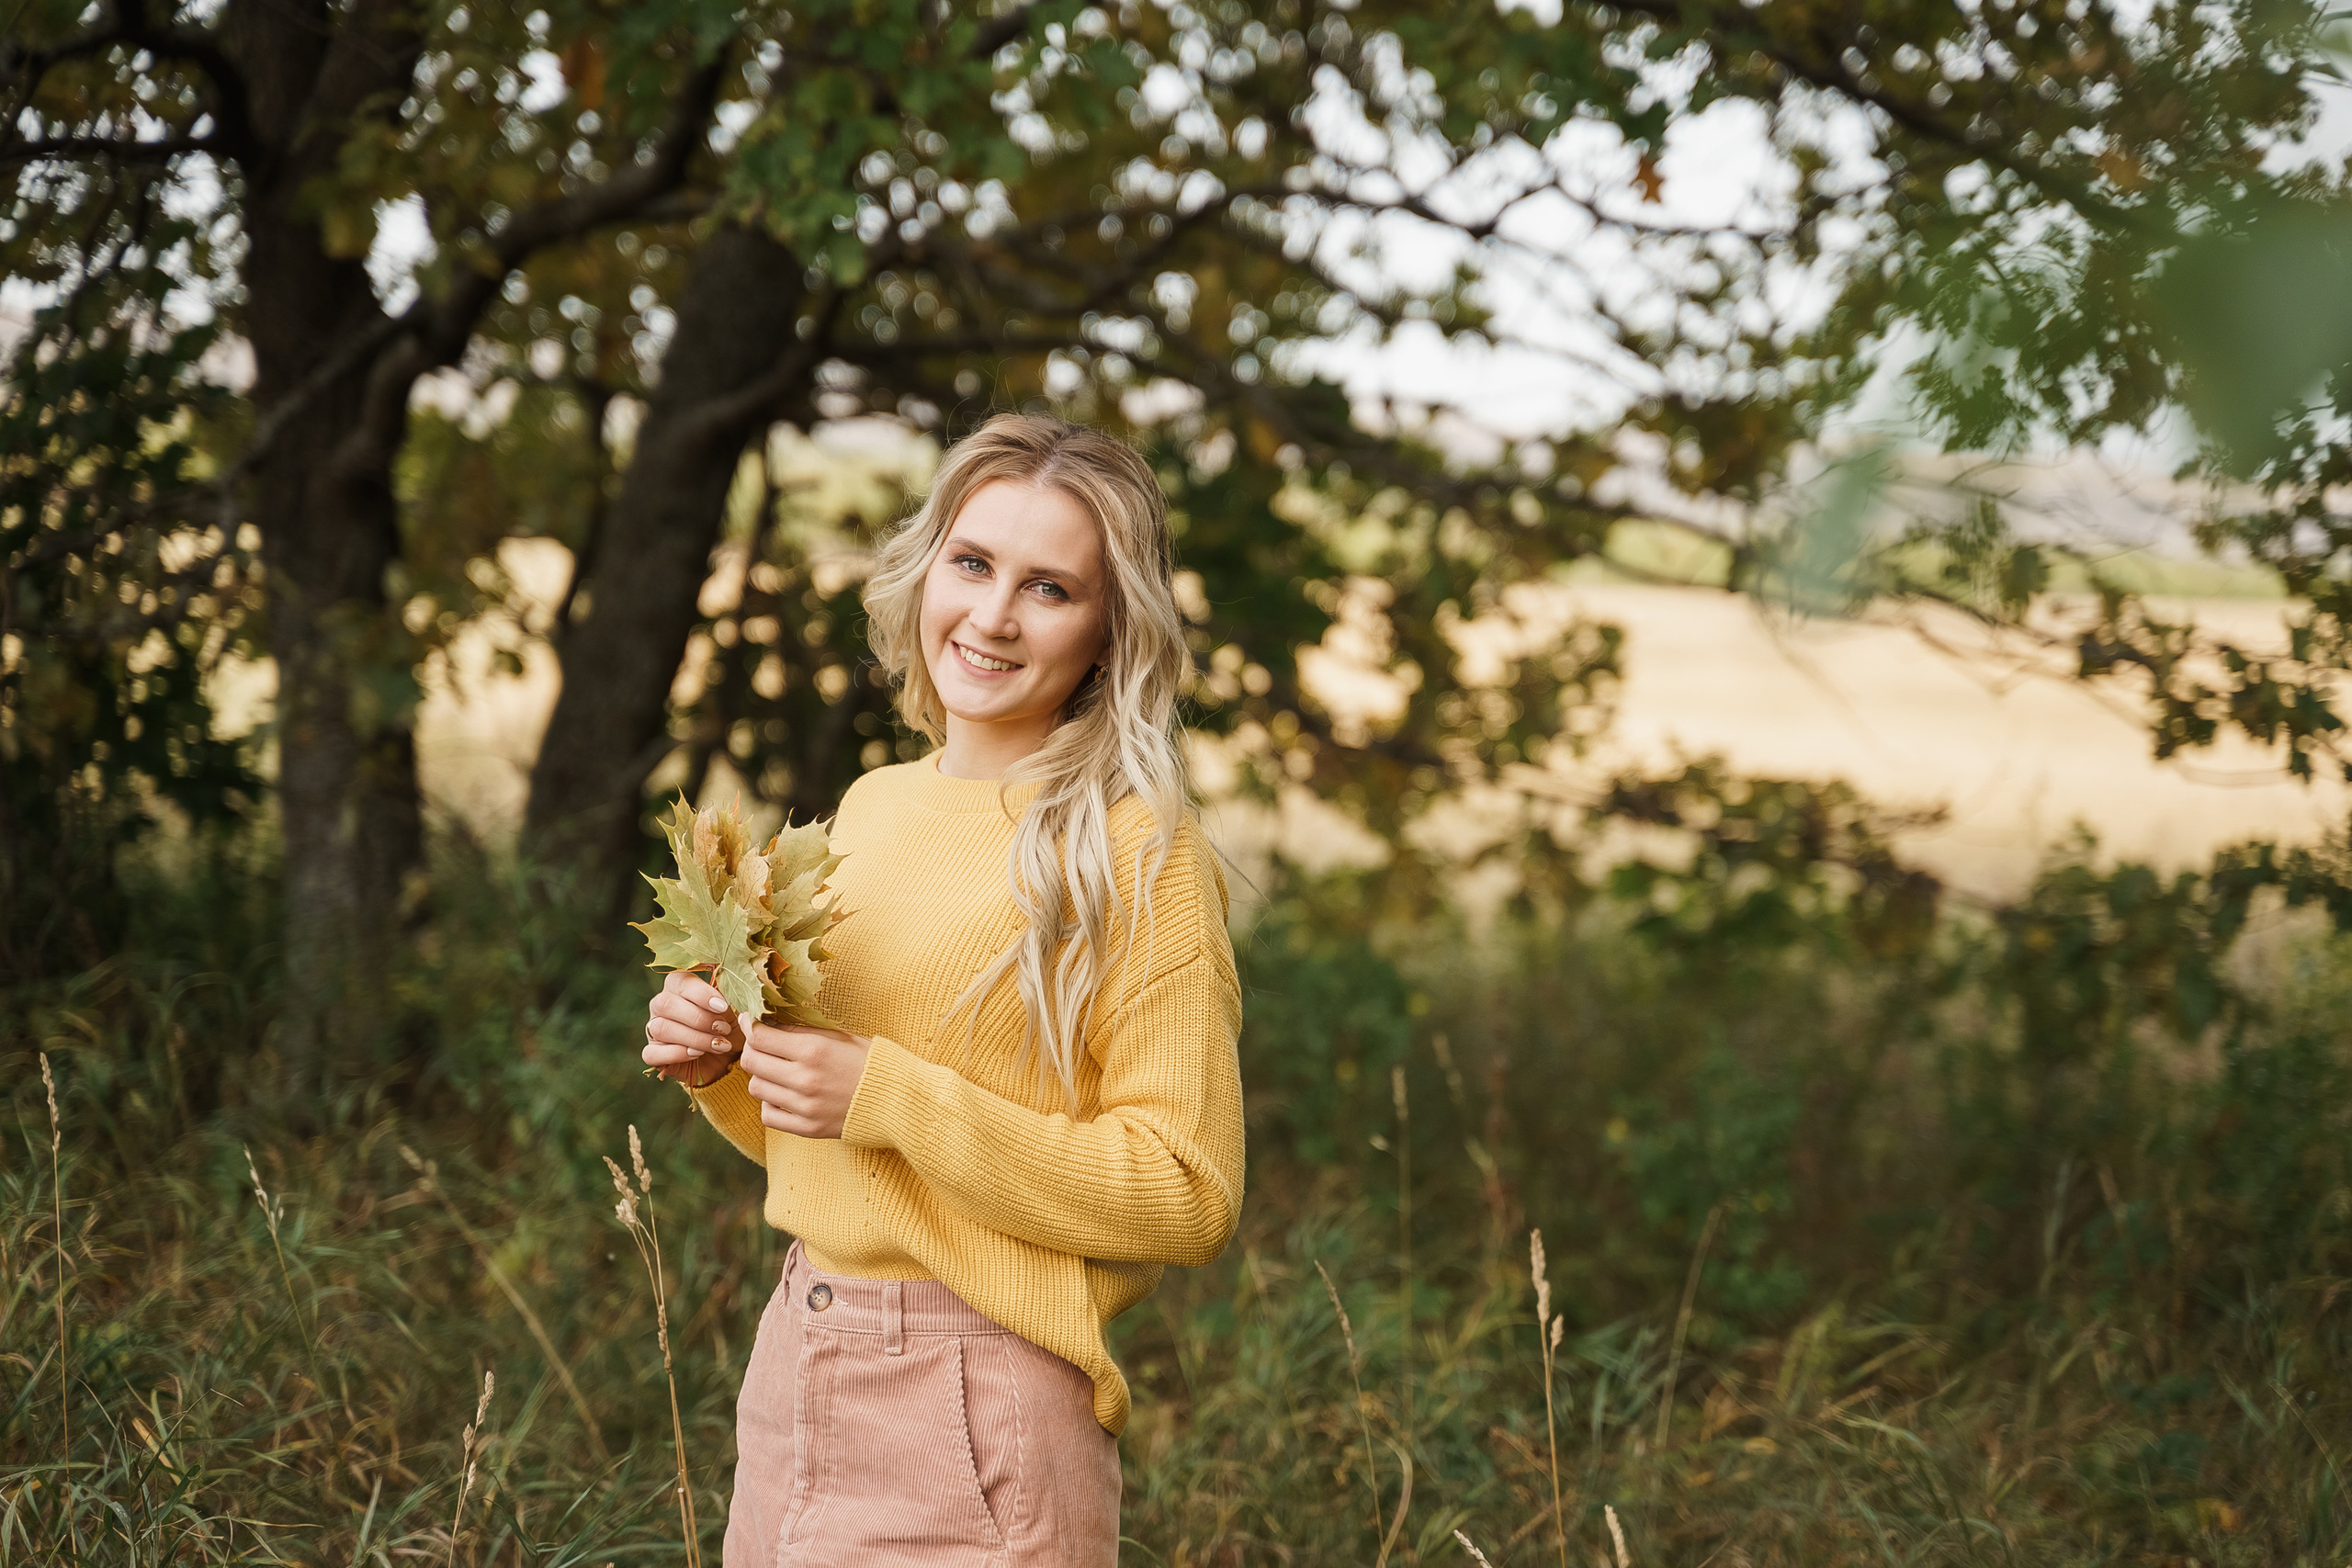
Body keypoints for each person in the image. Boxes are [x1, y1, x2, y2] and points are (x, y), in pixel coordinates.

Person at [639, 412, 1244, 1565]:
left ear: (1112, 629)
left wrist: (889, 1095)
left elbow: (1186, 1194)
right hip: (798, 1360)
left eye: (1049, 587)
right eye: (972, 564)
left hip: (980, 1399)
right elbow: (848, 1147)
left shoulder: (1134, 851)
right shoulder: (871, 806)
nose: (993, 615)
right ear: (927, 569)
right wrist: (725, 1064)